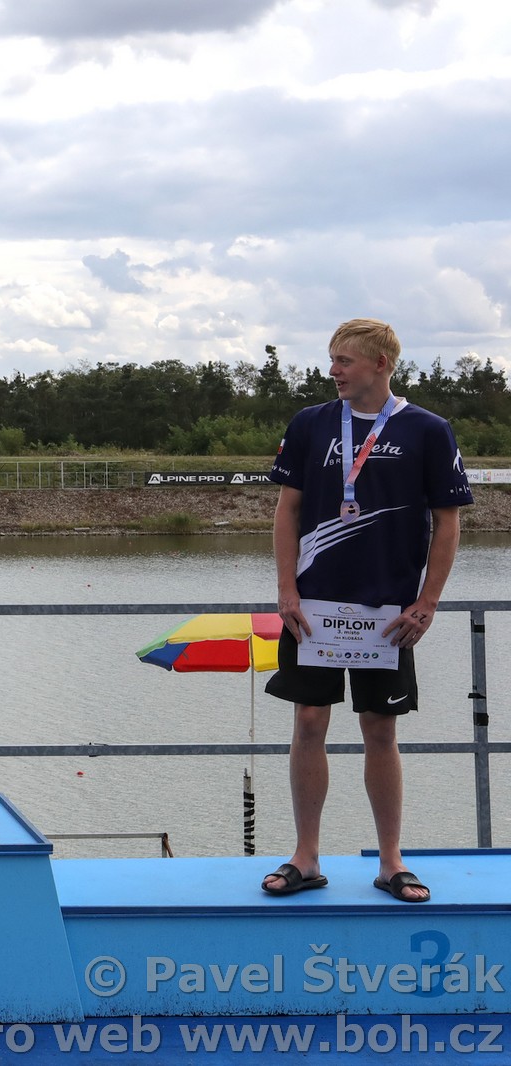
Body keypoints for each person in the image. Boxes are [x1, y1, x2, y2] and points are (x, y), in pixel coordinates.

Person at [261, 318, 472, 903]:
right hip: (313, 606)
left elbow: (448, 522)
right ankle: (306, 857)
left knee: (380, 729)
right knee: (309, 722)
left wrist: (427, 602)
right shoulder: (310, 423)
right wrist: (286, 589)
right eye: (331, 359)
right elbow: (287, 511)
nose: (333, 370)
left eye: (344, 360)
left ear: (380, 363)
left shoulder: (428, 429)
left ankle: (390, 861)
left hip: (388, 611)